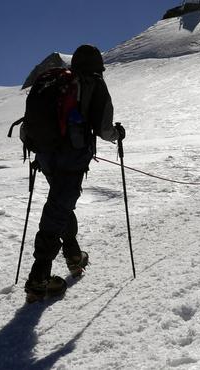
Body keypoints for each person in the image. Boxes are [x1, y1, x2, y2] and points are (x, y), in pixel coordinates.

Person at [25, 44, 125, 301]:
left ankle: (72, 255)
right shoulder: (93, 84)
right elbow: (104, 129)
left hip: (46, 156)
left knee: (61, 204)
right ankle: (39, 278)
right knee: (59, 208)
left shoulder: (56, 82)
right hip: (71, 157)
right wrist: (117, 134)